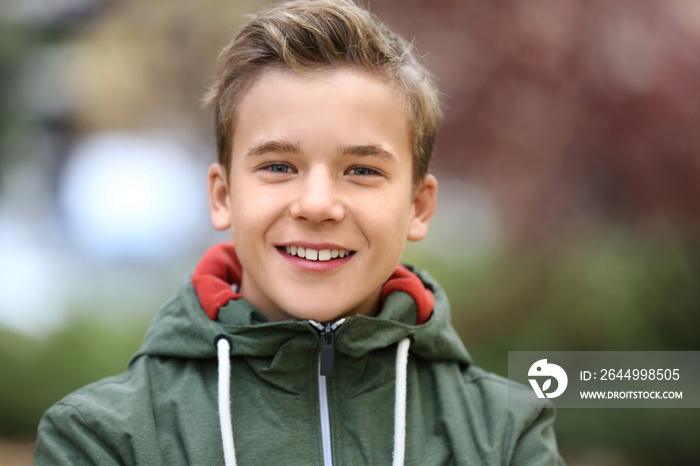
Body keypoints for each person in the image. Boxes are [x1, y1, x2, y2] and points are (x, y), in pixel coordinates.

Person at [35, 0, 565, 464]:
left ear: (418, 207)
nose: (316, 205)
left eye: (361, 170)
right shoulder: (103, 437)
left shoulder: (504, 433)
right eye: (279, 167)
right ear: (223, 196)